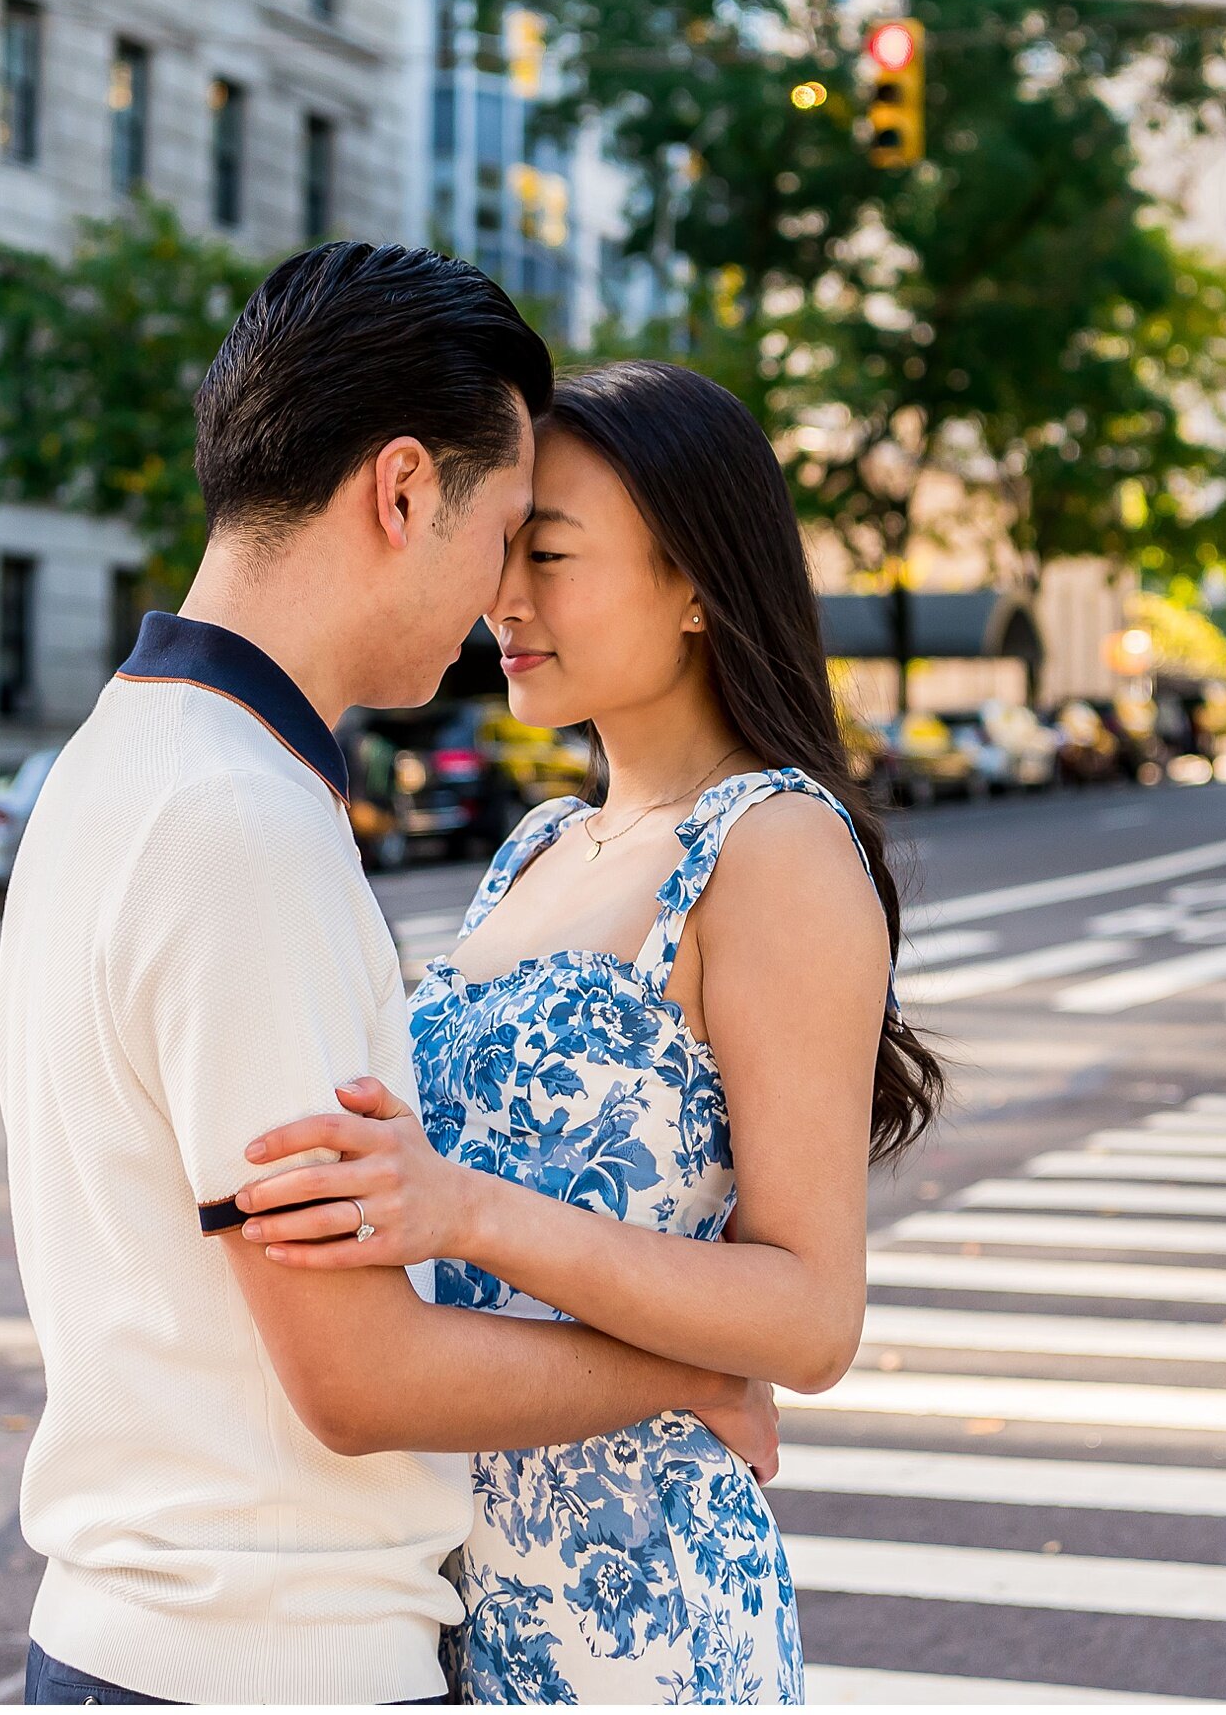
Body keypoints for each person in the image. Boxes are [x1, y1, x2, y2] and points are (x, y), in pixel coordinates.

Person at [0, 251, 778, 1710]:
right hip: (266, 1658)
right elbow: (356, 1373)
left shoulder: (125, 758)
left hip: (148, 1635)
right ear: (403, 488)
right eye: (502, 533)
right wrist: (686, 1375)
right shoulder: (235, 822)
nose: (501, 594)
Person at [234, 360, 948, 1705]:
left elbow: (812, 1312)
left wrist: (468, 1213)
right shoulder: (539, 845)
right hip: (445, 1593)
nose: (504, 598)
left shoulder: (774, 846)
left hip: (639, 1616)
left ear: (694, 584)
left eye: (549, 555)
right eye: (506, 551)